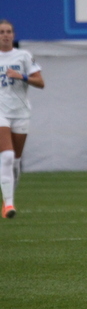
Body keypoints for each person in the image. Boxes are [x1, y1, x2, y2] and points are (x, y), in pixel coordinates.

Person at [0, 20, 45, 218]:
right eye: (1, 32)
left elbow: (40, 82)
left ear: (14, 35)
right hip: (1, 112)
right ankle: (8, 205)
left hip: (21, 112)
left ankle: (9, 194)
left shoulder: (24, 56)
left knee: (16, 161)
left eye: (8, 31)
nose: (5, 35)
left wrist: (22, 76)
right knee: (7, 156)